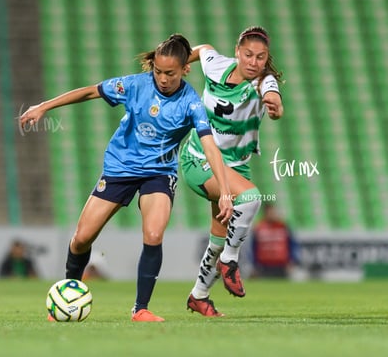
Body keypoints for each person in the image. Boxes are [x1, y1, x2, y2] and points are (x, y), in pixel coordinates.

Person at [20, 34, 233, 322]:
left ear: (185, 69)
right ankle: (70, 290)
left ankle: (140, 309)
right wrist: (44, 106)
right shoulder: (134, 85)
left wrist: (225, 191)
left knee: (154, 235)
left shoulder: (191, 102)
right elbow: (90, 92)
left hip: (158, 173)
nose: (162, 78)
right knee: (82, 239)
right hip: (120, 168)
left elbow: (210, 146)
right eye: (158, 71)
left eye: (170, 73)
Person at [180, 26, 284, 316]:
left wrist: (276, 107)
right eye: (248, 54)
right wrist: (183, 61)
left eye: (261, 57)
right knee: (250, 199)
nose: (254, 62)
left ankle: (199, 295)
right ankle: (231, 259)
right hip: (199, 159)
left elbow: (273, 98)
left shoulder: (264, 82)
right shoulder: (217, 65)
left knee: (217, 237)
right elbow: (203, 49)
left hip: (235, 166)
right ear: (237, 52)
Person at [250, 202, 299, 278]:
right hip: (264, 266)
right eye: (270, 212)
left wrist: (292, 260)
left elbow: (291, 244)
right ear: (265, 213)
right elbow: (254, 247)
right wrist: (254, 264)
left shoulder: (283, 226)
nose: (272, 214)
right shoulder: (259, 227)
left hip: (281, 265)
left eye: (273, 212)